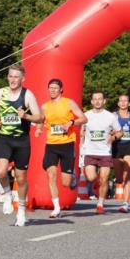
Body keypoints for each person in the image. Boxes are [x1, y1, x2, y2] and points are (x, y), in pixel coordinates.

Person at [0, 64, 43, 226]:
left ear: (22, 79)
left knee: (20, 178)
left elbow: (39, 118)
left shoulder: (27, 95)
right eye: (10, 76)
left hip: (22, 141)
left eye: (16, 77)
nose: (13, 79)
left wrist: (25, 115)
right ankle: (6, 194)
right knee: (1, 171)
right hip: (4, 138)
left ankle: (21, 210)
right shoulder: (0, 93)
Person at [34, 78, 87, 218]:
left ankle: (73, 175)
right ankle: (56, 208)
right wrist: (39, 129)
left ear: (61, 90)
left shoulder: (68, 103)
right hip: (51, 144)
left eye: (55, 88)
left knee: (66, 182)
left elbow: (83, 118)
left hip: (67, 143)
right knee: (51, 175)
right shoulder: (45, 107)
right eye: (50, 88)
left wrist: (71, 122)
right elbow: (40, 120)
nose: (52, 90)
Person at [80, 91, 122, 215]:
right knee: (91, 177)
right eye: (95, 99)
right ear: (92, 101)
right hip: (90, 151)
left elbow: (120, 132)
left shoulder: (110, 117)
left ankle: (100, 204)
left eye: (100, 99)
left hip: (105, 152)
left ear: (104, 101)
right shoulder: (85, 115)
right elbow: (81, 131)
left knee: (104, 179)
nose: (97, 101)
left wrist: (113, 138)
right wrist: (81, 142)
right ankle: (99, 184)